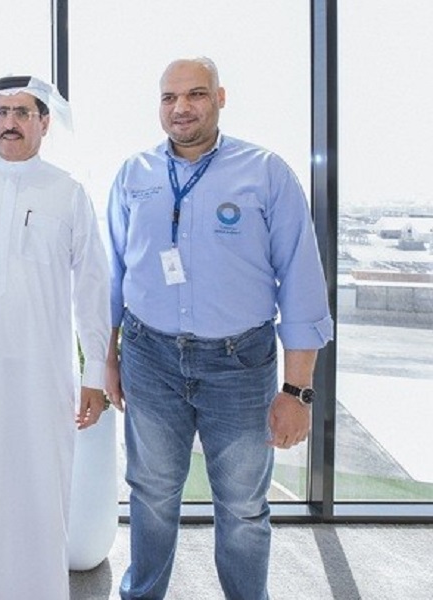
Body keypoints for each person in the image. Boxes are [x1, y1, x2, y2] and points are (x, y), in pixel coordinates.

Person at [105, 57, 333, 600]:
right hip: (149, 357)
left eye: (196, 94)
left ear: (220, 98)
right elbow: (113, 274)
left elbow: (301, 283)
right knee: (150, 494)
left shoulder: (266, 172)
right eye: (169, 97)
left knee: (243, 506)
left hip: (239, 364)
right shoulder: (133, 174)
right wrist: (107, 359)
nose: (181, 108)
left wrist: (297, 391)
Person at [0, 75, 111, 599]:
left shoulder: (69, 193)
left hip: (42, 374)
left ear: (44, 123)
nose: (9, 123)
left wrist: (94, 374)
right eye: (2, 113)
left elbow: (93, 287)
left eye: (22, 113)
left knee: (39, 487)